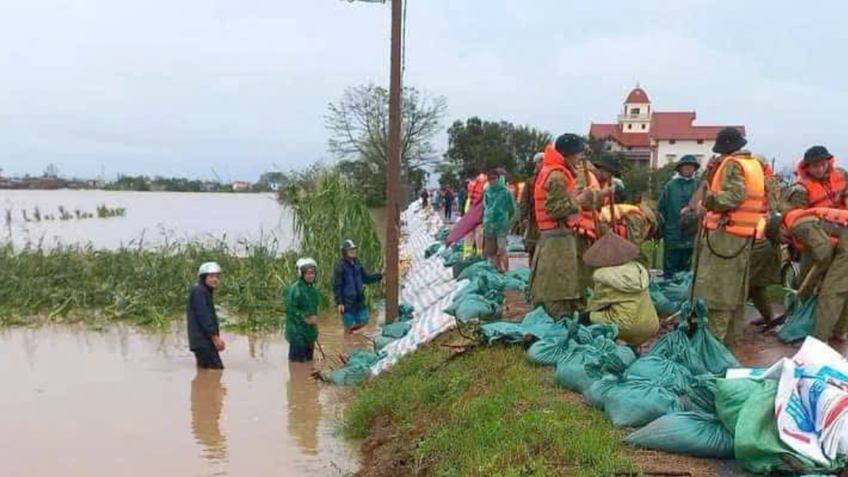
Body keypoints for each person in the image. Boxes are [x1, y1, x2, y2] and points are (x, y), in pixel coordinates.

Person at [691, 127, 766, 346]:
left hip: (725, 237)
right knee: (734, 290)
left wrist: (708, 199)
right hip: (741, 235)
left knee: (718, 290)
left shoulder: (732, 165)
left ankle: (714, 344)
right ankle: (733, 339)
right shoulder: (753, 164)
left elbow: (734, 196)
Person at [529, 133, 598, 317]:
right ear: (568, 154)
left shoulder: (552, 170)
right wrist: (580, 200)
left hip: (554, 237)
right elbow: (554, 209)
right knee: (558, 287)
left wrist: (577, 195)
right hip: (557, 240)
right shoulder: (558, 175)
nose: (579, 158)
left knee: (555, 284)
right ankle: (558, 321)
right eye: (577, 154)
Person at [766, 208, 848, 342]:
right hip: (844, 244)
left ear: (781, 228)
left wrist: (814, 281)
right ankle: (838, 332)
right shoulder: (801, 220)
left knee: (830, 293)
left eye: (780, 240)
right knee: (841, 290)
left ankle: (819, 341)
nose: (784, 243)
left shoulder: (798, 226)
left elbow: (824, 254)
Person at [583, 233, 659, 347]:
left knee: (588, 317)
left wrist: (582, 317)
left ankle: (622, 344)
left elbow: (595, 305)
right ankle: (633, 344)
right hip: (651, 324)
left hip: (629, 328)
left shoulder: (604, 277)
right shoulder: (638, 270)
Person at [747, 156, 783, 329]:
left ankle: (732, 322)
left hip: (762, 240)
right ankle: (769, 317)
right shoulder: (768, 182)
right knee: (756, 284)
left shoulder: (765, 184)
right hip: (760, 238)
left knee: (746, 281)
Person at [657, 155, 700, 276]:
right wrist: (660, 229)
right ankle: (668, 291)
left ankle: (682, 292)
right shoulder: (670, 186)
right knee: (670, 268)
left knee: (686, 268)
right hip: (672, 233)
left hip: (690, 235)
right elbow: (660, 208)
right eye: (685, 166)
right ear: (680, 168)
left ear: (694, 169)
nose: (688, 169)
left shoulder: (698, 186)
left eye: (691, 166)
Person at [333, 240, 383, 335]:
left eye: (353, 249)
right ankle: (348, 343)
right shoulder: (339, 266)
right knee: (347, 325)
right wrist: (339, 302)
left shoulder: (357, 264)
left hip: (359, 299)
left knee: (364, 321)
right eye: (350, 250)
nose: (353, 251)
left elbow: (366, 278)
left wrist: (380, 275)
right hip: (347, 302)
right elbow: (337, 285)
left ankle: (351, 334)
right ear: (344, 252)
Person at [187, 261, 226, 369]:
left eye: (217, 277)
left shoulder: (204, 291)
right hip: (203, 342)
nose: (215, 279)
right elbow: (204, 317)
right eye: (211, 276)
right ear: (204, 277)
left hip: (202, 342)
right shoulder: (200, 291)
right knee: (216, 370)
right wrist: (215, 338)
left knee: (204, 373)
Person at [785, 145, 848, 211]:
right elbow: (799, 215)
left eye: (823, 164)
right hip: (820, 219)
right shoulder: (801, 189)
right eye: (815, 166)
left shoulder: (842, 174)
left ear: (828, 162)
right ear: (807, 167)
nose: (820, 169)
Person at [285, 258, 320, 362]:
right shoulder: (294, 289)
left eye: (312, 273)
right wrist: (304, 318)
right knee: (297, 364)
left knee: (309, 362)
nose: (310, 276)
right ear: (301, 274)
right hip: (296, 332)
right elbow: (290, 310)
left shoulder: (313, 290)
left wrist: (314, 322)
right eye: (307, 273)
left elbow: (314, 310)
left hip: (310, 332)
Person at [483, 168, 516, 272]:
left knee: (501, 250)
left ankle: (506, 272)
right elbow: (485, 206)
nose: (491, 181)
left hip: (501, 225)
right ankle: (497, 270)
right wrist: (487, 219)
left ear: (498, 179)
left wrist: (506, 221)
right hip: (489, 225)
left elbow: (512, 209)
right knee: (492, 251)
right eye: (489, 179)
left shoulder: (505, 193)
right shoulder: (487, 192)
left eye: (493, 178)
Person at [522, 153, 544, 259]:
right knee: (532, 248)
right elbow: (524, 202)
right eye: (539, 162)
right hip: (533, 220)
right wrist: (523, 218)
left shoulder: (550, 178)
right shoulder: (530, 182)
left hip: (545, 222)